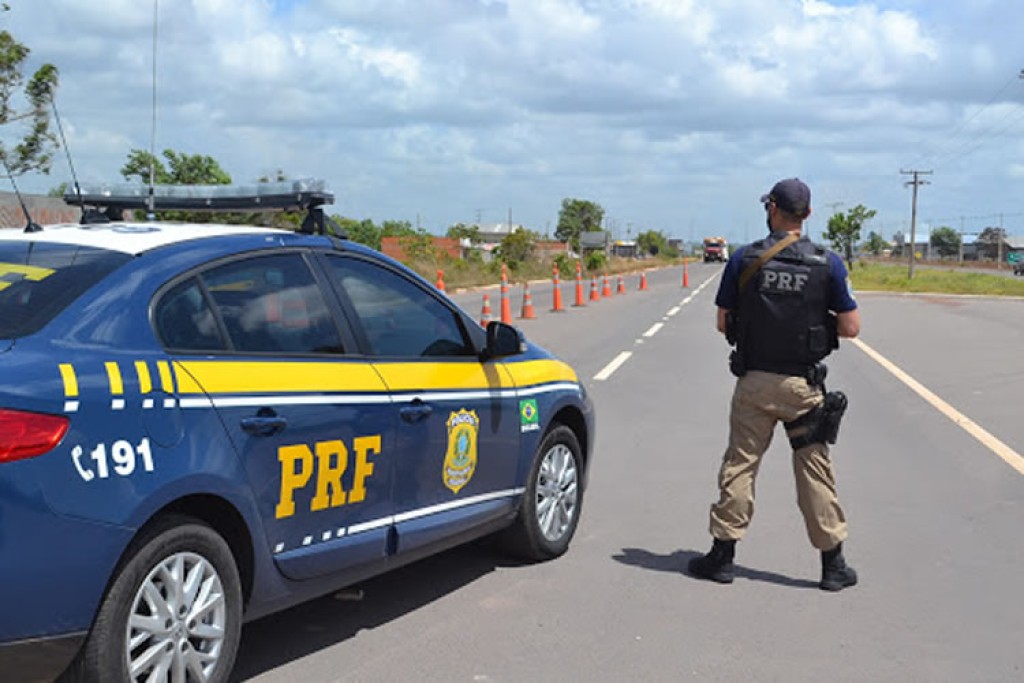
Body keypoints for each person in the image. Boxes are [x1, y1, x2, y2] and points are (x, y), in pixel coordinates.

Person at [688, 178, 861, 592]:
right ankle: (833, 565)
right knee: (815, 470)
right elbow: (851, 327)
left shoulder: (744, 258)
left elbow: (722, 322)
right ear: (808, 214)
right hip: (803, 386)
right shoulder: (828, 263)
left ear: (772, 209)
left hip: (755, 382)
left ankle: (722, 557)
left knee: (740, 465)